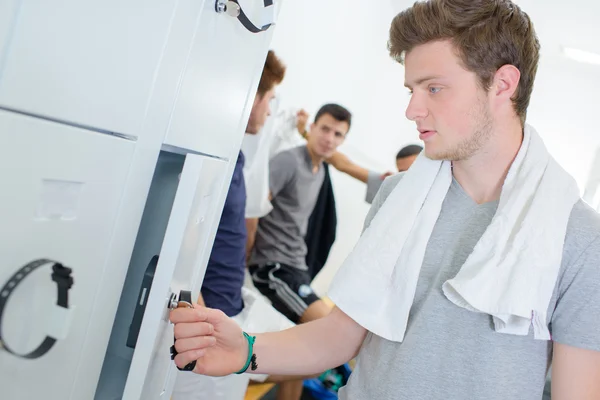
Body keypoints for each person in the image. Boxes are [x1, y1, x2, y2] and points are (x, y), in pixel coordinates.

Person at [170, 1, 600, 399]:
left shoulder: (577, 238)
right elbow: (340, 336)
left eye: (433, 88)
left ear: (502, 84)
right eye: (411, 89)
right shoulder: (399, 197)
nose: (412, 110)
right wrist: (244, 350)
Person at [172, 50, 303, 400]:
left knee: (307, 357)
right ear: (251, 96)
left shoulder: (234, 154)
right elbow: (182, 243)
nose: (270, 110)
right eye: (269, 99)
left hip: (234, 302)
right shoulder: (209, 155)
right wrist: (198, 323)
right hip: (213, 317)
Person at [247, 103, 351, 325]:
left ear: (342, 141)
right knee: (325, 328)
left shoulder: (320, 171)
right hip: (272, 267)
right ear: (311, 128)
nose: (329, 138)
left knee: (333, 328)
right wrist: (245, 258)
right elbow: (252, 208)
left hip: (297, 266)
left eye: (337, 134)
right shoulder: (289, 161)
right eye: (325, 129)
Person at [327, 144, 423, 203]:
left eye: (413, 170)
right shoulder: (393, 187)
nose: (408, 177)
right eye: (402, 173)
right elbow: (344, 165)